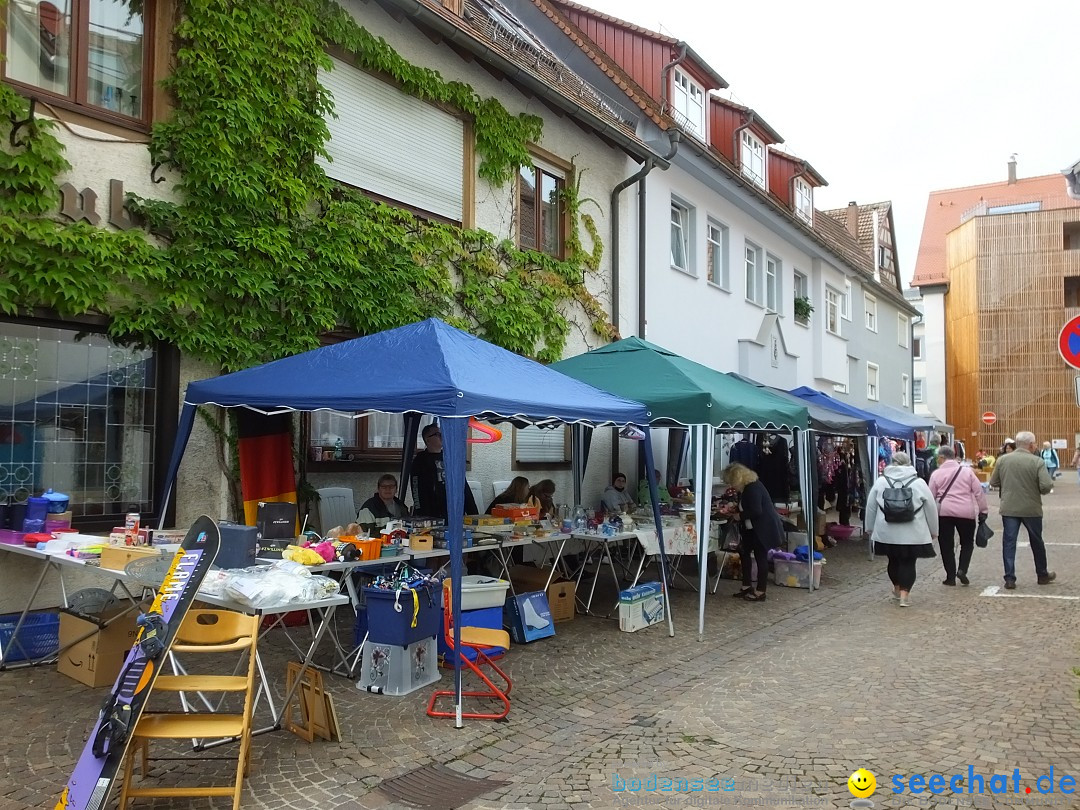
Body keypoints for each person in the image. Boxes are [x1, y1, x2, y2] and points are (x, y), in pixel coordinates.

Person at [864, 451, 938, 608]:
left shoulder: (881, 481)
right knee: (909, 562)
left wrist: (869, 528)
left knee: (893, 560)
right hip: (913, 532)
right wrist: (933, 530)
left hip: (886, 531)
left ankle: (897, 589)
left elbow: (871, 507)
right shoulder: (919, 483)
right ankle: (905, 595)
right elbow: (931, 508)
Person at [988, 431, 1055, 590]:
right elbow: (1045, 486)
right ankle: (1042, 574)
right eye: (1035, 443)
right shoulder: (1037, 462)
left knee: (1009, 542)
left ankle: (1009, 578)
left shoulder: (1002, 460)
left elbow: (994, 481)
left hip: (1009, 507)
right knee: (1036, 541)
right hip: (1031, 508)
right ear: (1031, 445)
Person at [721, 463, 783, 602]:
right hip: (751, 528)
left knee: (761, 558)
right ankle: (746, 585)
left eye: (731, 481)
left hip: (762, 528)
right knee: (744, 553)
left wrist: (739, 516)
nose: (730, 485)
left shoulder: (752, 488)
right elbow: (747, 506)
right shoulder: (746, 488)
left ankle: (761, 591)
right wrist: (736, 509)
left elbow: (756, 510)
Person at [928, 446, 987, 586]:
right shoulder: (967, 472)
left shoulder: (936, 474)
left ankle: (950, 576)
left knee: (946, 545)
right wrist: (983, 511)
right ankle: (962, 569)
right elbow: (979, 492)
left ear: (942, 458)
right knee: (967, 543)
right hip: (965, 511)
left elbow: (930, 496)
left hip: (944, 512)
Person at [411, 423, 479, 519]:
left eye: (442, 434)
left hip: (454, 513)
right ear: (427, 439)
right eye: (437, 434)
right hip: (432, 515)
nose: (442, 437)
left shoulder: (450, 457)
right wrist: (423, 516)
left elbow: (463, 486)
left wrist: (473, 514)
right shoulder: (420, 460)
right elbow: (416, 489)